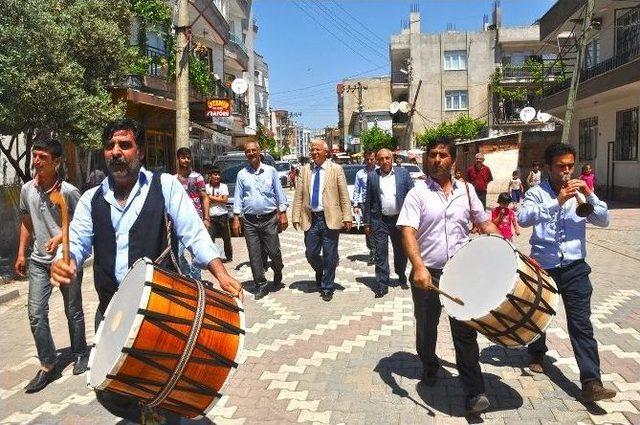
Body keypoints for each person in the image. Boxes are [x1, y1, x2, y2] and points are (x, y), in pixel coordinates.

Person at [50, 118, 242, 422]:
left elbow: (194, 233)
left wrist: (221, 273)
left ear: (140, 153)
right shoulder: (91, 199)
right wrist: (67, 261)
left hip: (161, 307)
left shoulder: (164, 186)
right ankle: (142, 414)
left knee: (164, 382)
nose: (116, 152)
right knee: (110, 386)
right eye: (110, 146)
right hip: (112, 309)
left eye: (124, 145)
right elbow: (77, 242)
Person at [397, 136, 500, 415]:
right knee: (427, 327)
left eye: (443, 155)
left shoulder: (466, 191)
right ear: (426, 159)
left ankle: (474, 391)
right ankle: (430, 363)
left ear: (453, 161)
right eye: (432, 155)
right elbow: (407, 230)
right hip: (427, 274)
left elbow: (484, 221)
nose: (437, 159)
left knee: (465, 332)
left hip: (461, 273)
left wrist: (504, 246)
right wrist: (418, 267)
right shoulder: (417, 194)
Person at [517, 142, 616, 402]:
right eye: (561, 167)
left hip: (575, 267)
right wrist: (556, 202)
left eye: (570, 166)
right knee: (539, 314)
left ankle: (591, 381)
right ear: (549, 167)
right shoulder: (537, 193)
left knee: (581, 323)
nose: (567, 171)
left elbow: (604, 221)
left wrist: (590, 195)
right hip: (544, 266)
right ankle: (537, 352)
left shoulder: (581, 191)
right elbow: (523, 218)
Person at [15, 139, 88, 393]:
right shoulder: (27, 189)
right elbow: (26, 221)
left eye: (42, 157)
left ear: (56, 162)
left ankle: (80, 353)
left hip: (64, 259)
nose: (35, 161)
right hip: (37, 260)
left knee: (73, 310)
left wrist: (60, 237)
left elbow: (81, 224)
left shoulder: (68, 191)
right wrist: (21, 253)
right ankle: (48, 364)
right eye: (34, 156)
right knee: (35, 314)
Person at [292, 140, 352, 302]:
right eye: (312, 150)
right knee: (311, 253)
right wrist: (295, 216)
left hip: (330, 218)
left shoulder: (336, 169)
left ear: (326, 152)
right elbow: (298, 195)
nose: (314, 152)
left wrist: (347, 216)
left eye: (317, 150)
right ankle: (322, 270)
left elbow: (344, 195)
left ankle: (327, 286)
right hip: (311, 218)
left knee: (330, 254)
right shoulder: (304, 170)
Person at [232, 140, 288, 300]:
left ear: (259, 152)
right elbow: (238, 198)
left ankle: (278, 269)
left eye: (253, 150)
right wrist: (236, 218)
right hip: (249, 221)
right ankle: (261, 285)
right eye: (247, 151)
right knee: (254, 254)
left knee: (274, 251)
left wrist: (283, 213)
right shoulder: (242, 174)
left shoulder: (270, 171)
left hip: (269, 218)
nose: (250, 153)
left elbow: (279, 194)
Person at [362, 148, 414, 297]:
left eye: (387, 158)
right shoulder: (372, 177)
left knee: (401, 252)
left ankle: (401, 273)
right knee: (380, 253)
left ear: (391, 159)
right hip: (380, 221)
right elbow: (369, 201)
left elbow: (412, 195)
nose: (384, 161)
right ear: (378, 161)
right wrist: (367, 222)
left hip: (399, 220)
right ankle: (382, 284)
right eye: (381, 159)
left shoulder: (403, 174)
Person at [175, 147, 209, 280]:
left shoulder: (197, 177)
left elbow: (205, 197)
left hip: (196, 219)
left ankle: (197, 281)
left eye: (188, 157)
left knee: (196, 253)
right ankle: (188, 274)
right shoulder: (173, 179)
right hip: (179, 221)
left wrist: (206, 218)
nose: (186, 160)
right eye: (183, 157)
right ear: (178, 159)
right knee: (177, 254)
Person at [352, 149, 377, 265]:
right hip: (365, 203)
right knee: (367, 227)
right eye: (367, 159)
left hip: (377, 203)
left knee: (377, 228)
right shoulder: (360, 174)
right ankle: (372, 249)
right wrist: (355, 204)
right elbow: (356, 190)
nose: (369, 161)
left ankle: (376, 251)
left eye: (372, 159)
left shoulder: (379, 171)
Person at [206, 167, 232, 262]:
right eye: (215, 175)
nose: (217, 177)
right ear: (210, 176)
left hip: (222, 215)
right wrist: (218, 198)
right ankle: (213, 258)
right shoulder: (206, 187)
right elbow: (205, 200)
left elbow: (224, 200)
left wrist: (210, 198)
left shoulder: (223, 186)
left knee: (226, 238)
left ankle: (229, 257)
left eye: (218, 175)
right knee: (210, 239)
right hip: (211, 216)